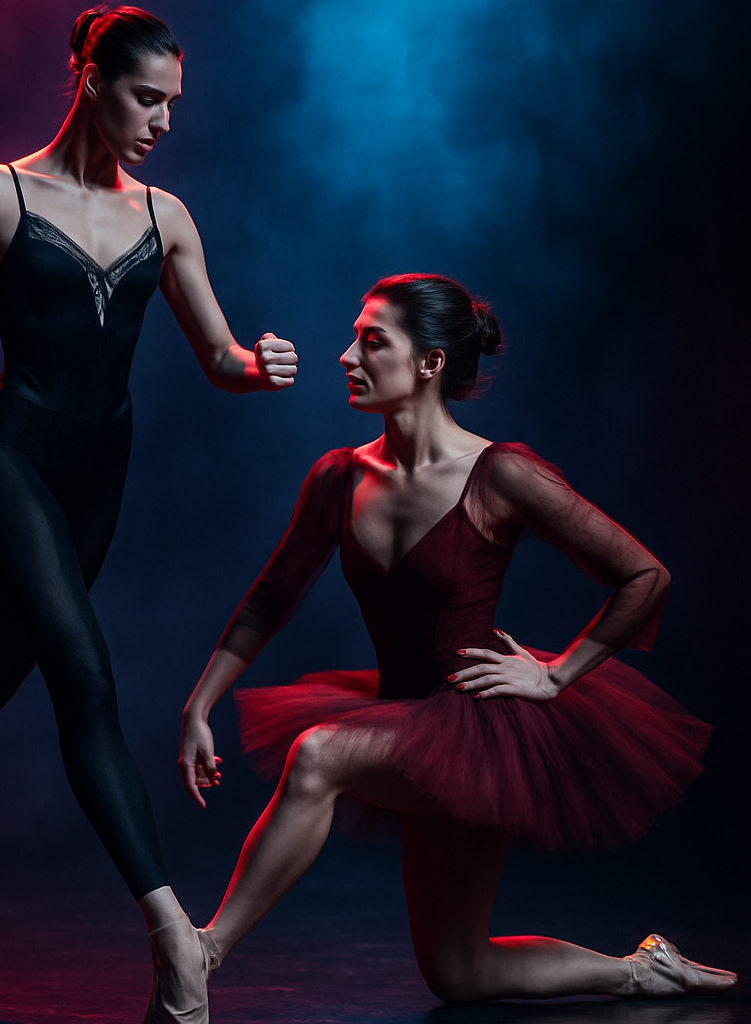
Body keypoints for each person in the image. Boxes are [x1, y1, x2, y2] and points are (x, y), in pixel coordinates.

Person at [0, 7, 296, 1020]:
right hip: (7, 459)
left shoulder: (166, 216)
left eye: (175, 105)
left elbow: (217, 357)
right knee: (84, 676)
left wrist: (255, 370)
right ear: (89, 80)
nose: (163, 123)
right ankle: (175, 936)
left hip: (101, 476)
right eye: (146, 99)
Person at [178, 273, 737, 1005]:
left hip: (478, 731)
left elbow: (645, 577)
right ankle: (645, 969)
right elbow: (269, 599)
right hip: (405, 720)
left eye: (371, 341)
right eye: (354, 337)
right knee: (459, 973)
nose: (347, 355)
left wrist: (557, 676)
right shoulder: (338, 478)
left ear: (430, 364)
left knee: (318, 754)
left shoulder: (500, 473)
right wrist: (199, 705)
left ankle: (203, 953)